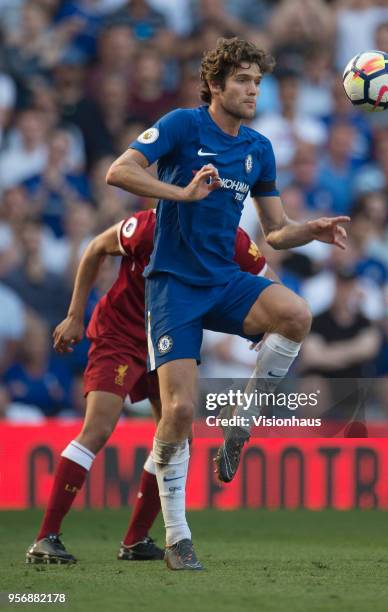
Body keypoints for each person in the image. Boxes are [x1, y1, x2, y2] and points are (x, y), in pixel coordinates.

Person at [106, 37, 349, 570]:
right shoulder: (180, 126)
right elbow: (119, 172)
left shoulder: (259, 147)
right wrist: (181, 193)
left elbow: (276, 232)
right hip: (172, 285)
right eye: (242, 80)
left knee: (296, 314)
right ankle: (177, 537)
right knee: (182, 412)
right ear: (215, 85)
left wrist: (309, 229)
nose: (252, 90)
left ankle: (242, 419)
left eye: (257, 82)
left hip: (223, 279)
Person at [25, 207, 268, 565]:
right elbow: (95, 248)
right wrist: (76, 315)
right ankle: (45, 538)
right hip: (121, 335)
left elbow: (265, 277)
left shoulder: (229, 237)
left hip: (171, 340)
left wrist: (269, 318)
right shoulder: (149, 225)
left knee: (180, 436)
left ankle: (136, 540)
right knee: (98, 428)